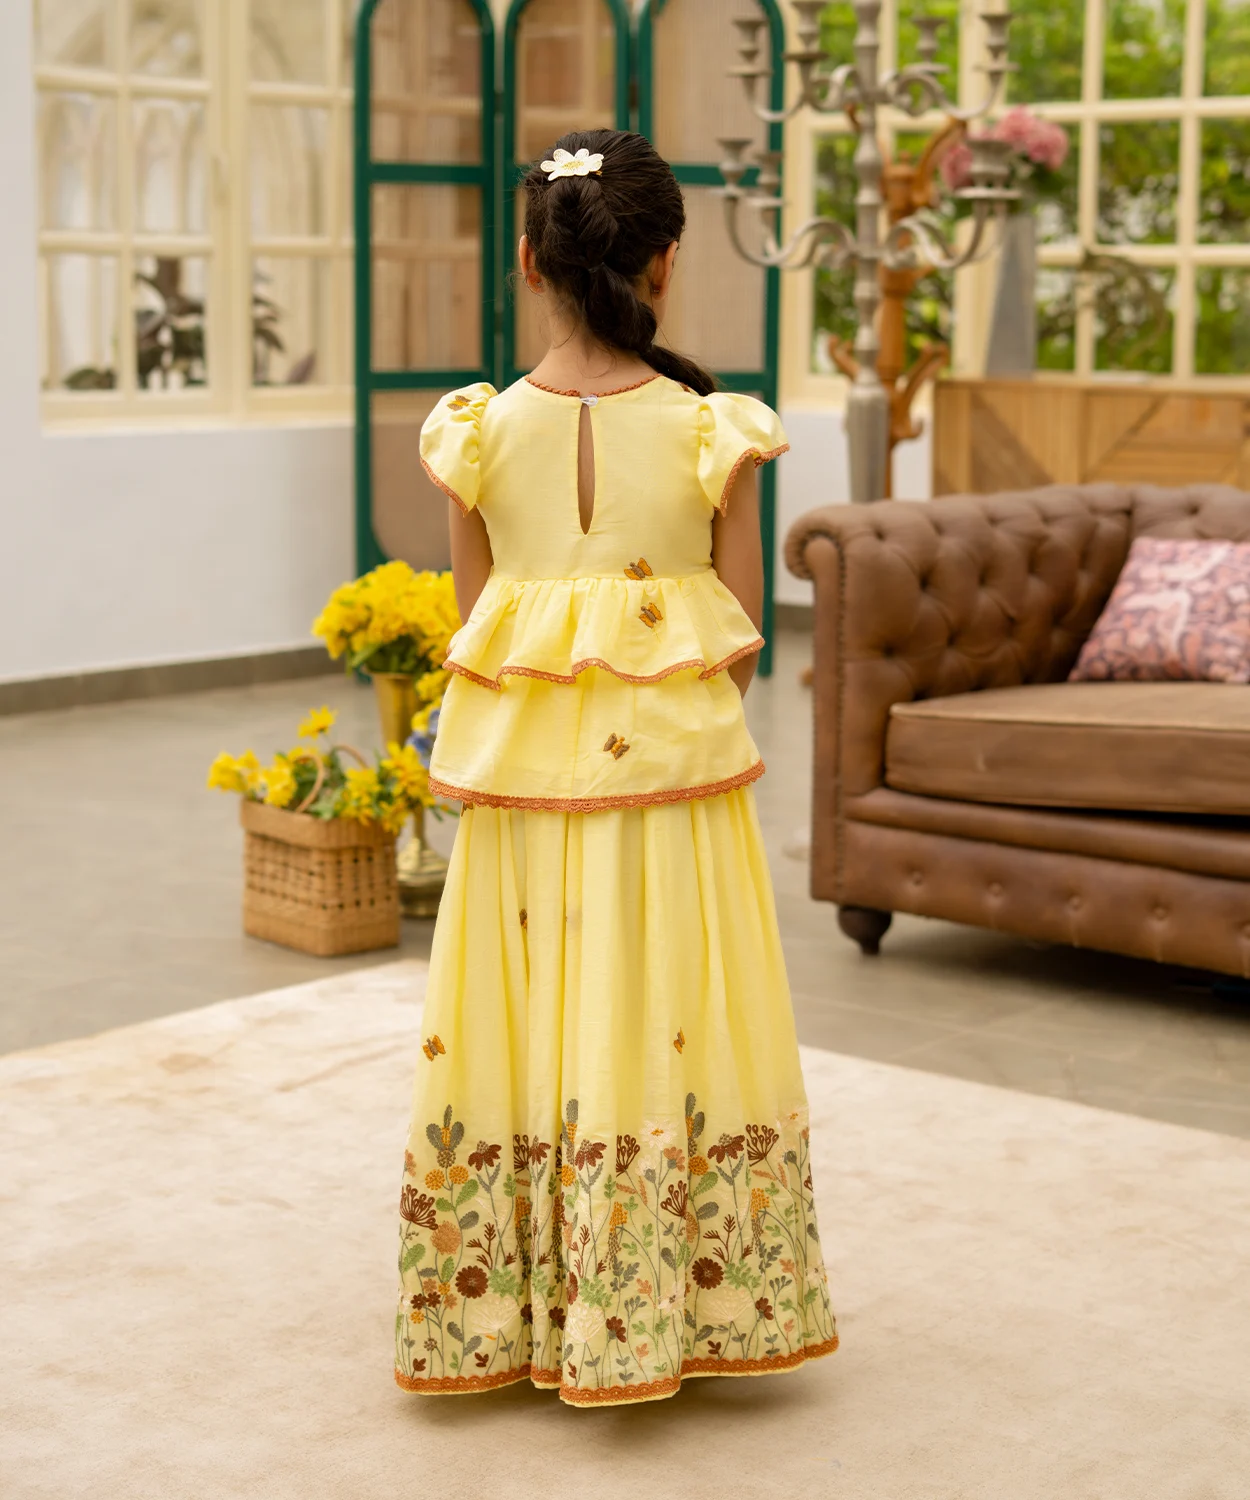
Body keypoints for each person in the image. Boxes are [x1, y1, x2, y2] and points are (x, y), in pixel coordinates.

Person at [394, 129, 836, 1408]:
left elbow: (479, 626)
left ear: (528, 263)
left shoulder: (473, 433)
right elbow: (734, 648)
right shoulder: (711, 430)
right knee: (660, 1016)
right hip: (670, 796)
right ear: (665, 260)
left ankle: (514, 1303)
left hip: (522, 795)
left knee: (522, 1019)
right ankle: (672, 1298)